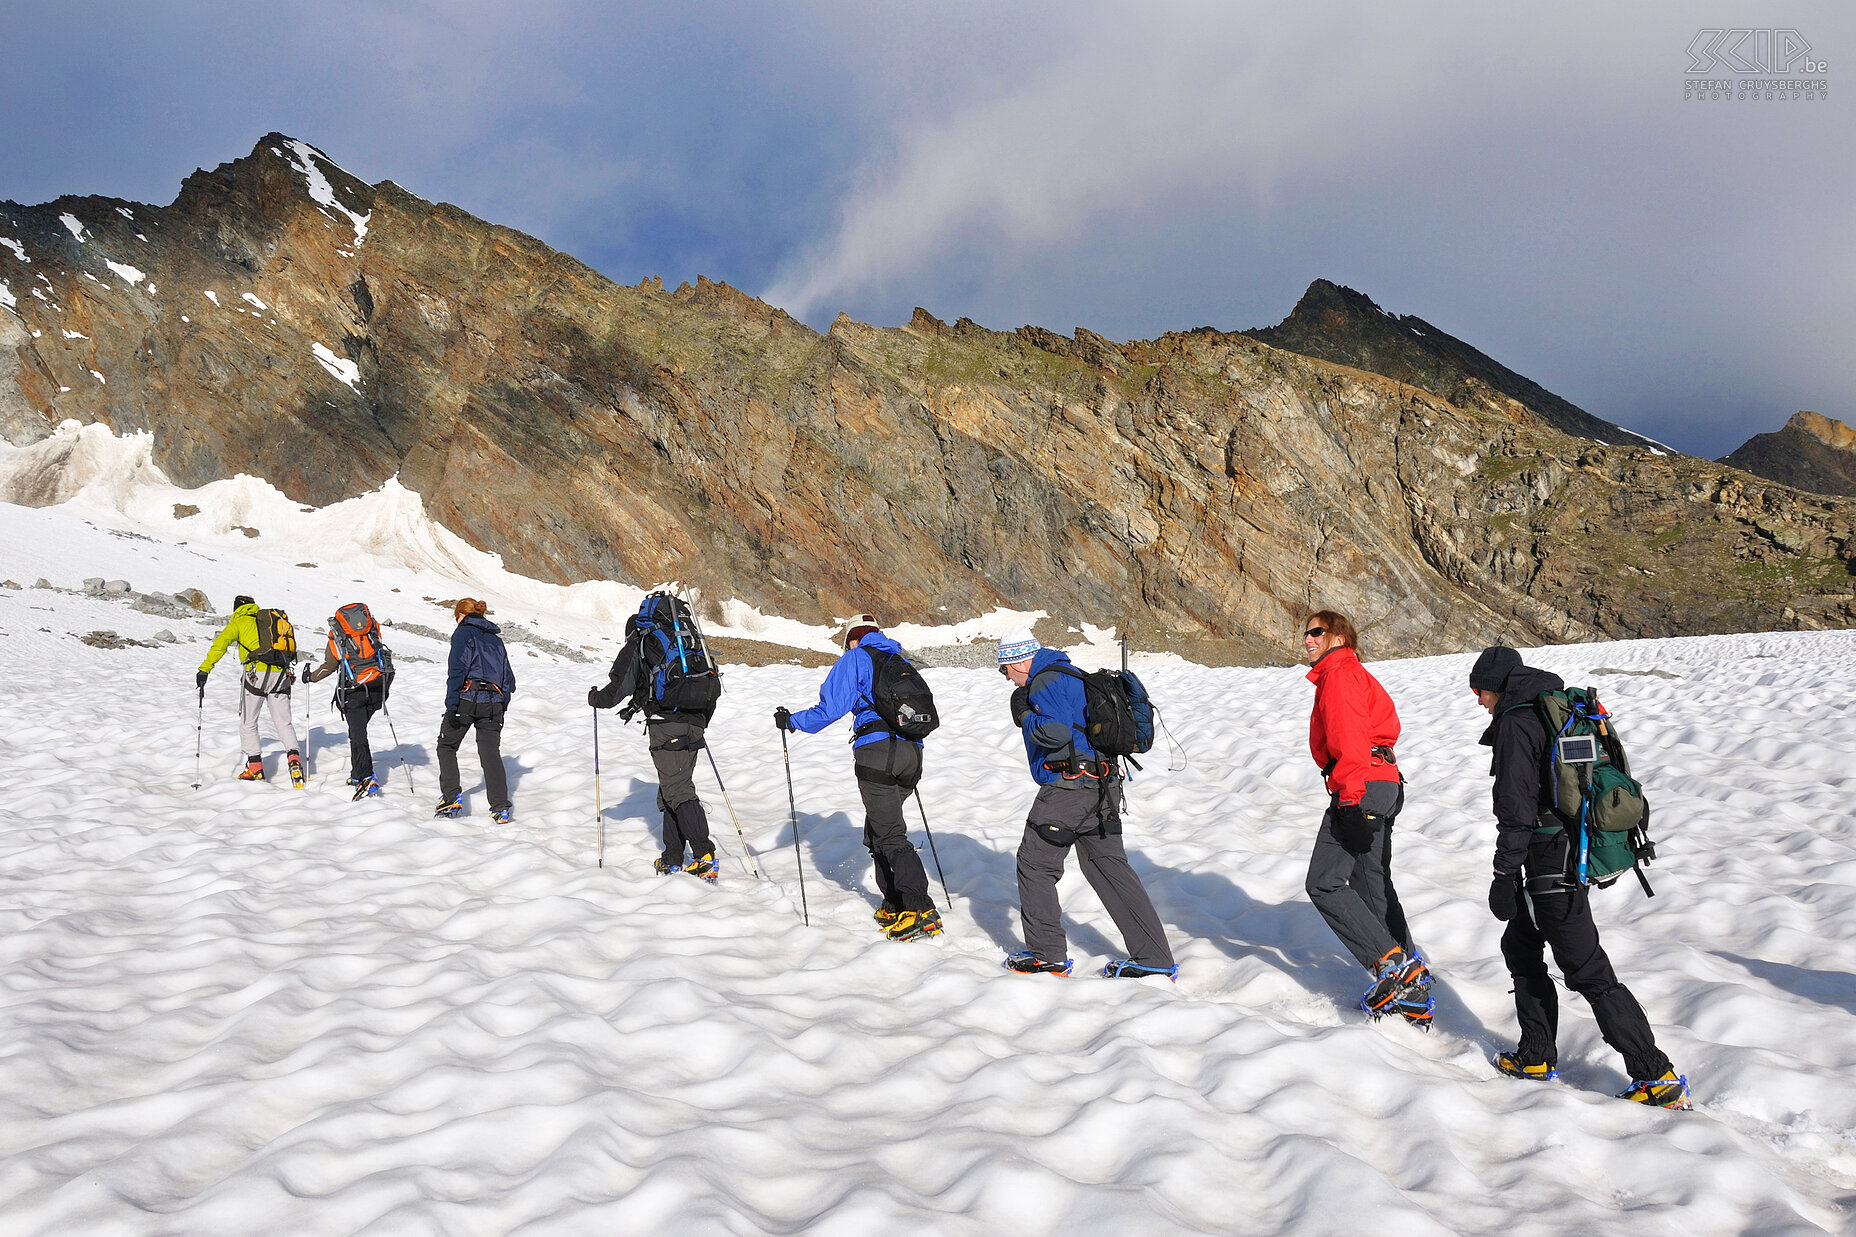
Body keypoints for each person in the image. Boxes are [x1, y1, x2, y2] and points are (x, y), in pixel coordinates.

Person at [1471, 645, 1691, 1108]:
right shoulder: (1556, 708)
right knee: (1521, 947)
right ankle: (1535, 1055)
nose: (1479, 702)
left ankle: (1656, 1074)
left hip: (1549, 858)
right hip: (1564, 851)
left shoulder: (1517, 722)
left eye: (1480, 691)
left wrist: (1503, 874)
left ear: (1496, 686)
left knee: (1586, 968)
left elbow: (1515, 810)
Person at [996, 626, 1175, 979]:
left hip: (1068, 789)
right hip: (1104, 786)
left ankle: (1047, 954)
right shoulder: (1073, 674)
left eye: (1005, 669)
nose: (1006, 678)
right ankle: (1154, 957)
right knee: (1110, 869)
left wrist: (1024, 715)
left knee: (1035, 864)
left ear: (1019, 660)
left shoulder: (1045, 680)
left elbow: (1055, 731)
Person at [774, 613, 942, 941]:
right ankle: (894, 903)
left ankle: (919, 908)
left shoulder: (857, 657)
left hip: (877, 753)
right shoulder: (898, 659)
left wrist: (792, 721)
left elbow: (831, 708)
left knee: (890, 833)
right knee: (879, 827)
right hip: (912, 755)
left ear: (853, 638)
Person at [1301, 610, 1431, 1025]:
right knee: (1370, 883)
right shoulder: (1350, 674)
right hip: (1384, 783)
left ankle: (1392, 965)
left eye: (1316, 632)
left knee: (1324, 882)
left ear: (1339, 637)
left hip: (1363, 785)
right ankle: (1414, 989)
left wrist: (1350, 799)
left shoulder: (1339, 675)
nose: (1307, 639)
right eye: (1305, 633)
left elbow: (1350, 740)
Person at [588, 594, 721, 881]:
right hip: (694, 721)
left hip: (667, 724)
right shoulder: (686, 640)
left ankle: (703, 853)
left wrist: (596, 698)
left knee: (678, 790)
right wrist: (699, 723)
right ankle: (673, 855)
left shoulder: (643, 639)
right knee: (671, 788)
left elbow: (618, 686)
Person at [197, 594, 303, 786]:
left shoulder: (237, 623)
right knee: (283, 722)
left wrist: (204, 669)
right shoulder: (268, 621)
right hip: (280, 674)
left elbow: (219, 646)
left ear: (236, 608)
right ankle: (294, 760)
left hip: (255, 674)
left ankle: (255, 768)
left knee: (248, 721)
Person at [303, 602, 394, 800]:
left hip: (354, 691)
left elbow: (329, 665)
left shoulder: (339, 636)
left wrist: (311, 677)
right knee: (357, 732)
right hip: (378, 687)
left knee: (358, 735)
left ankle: (367, 776)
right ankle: (357, 774)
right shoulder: (372, 628)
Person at [436, 598, 515, 823]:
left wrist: (452, 704)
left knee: (447, 745)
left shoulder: (462, 634)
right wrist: (502, 703)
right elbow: (508, 678)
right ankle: (500, 807)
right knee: (490, 754)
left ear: (461, 615)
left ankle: (451, 797)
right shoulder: (496, 640)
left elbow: (458, 669)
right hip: (494, 703)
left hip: (467, 699)